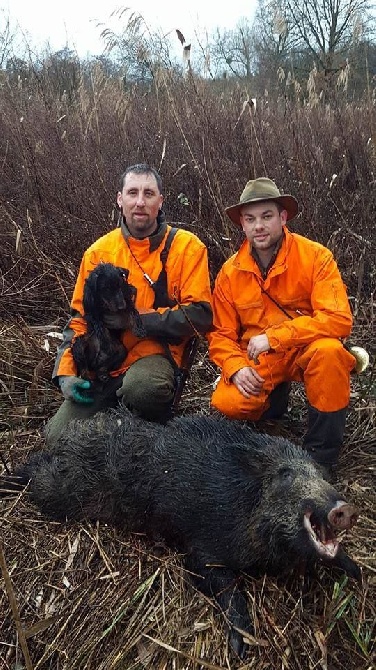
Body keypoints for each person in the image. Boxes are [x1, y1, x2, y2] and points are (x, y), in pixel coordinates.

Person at [45, 163, 213, 446]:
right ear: (119, 200)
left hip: (155, 355)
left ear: (160, 202)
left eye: (149, 194)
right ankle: (113, 423)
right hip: (104, 364)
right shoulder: (98, 252)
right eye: (132, 192)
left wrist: (136, 322)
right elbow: (78, 321)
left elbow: (200, 316)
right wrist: (64, 375)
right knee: (57, 437)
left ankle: (144, 438)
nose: (140, 202)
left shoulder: (188, 248)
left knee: (143, 390)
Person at [208, 177, 357, 468]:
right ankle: (273, 402)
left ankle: (320, 460)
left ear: (283, 217)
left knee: (330, 354)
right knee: (229, 404)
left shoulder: (315, 257)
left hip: (304, 349)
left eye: (267, 216)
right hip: (260, 359)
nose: (259, 226)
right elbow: (220, 334)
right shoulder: (229, 272)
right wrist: (235, 369)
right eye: (250, 219)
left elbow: (338, 319)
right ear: (242, 224)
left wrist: (276, 337)